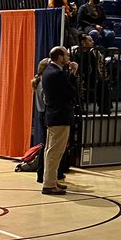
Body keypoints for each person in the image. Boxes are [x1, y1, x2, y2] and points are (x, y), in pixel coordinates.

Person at [40, 46, 79, 195]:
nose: (68, 57)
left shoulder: (49, 71)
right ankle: (49, 184)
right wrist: (74, 73)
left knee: (51, 151)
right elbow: (71, 92)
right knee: (55, 152)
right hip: (60, 116)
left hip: (53, 115)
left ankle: (51, 179)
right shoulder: (57, 73)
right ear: (60, 57)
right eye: (66, 55)